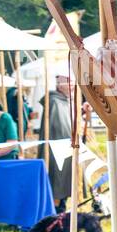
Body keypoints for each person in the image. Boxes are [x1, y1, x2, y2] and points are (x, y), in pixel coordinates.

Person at [46, 74, 74, 209]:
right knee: (57, 182)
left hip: (66, 150)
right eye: (69, 83)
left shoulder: (64, 101)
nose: (72, 87)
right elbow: (59, 129)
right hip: (57, 152)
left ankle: (61, 208)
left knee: (65, 181)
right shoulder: (54, 102)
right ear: (60, 85)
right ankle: (56, 211)